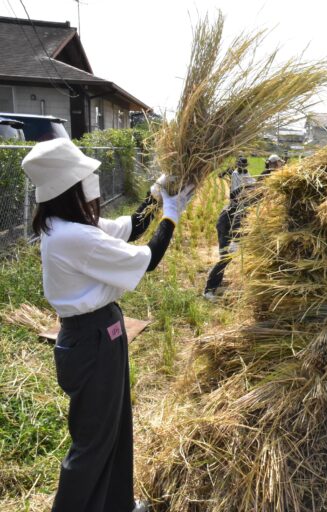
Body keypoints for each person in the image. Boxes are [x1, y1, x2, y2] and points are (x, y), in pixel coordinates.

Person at [21, 138, 194, 512]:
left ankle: (116, 504)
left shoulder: (65, 224)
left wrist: (157, 196)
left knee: (115, 427)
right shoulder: (73, 236)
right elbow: (147, 258)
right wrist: (172, 214)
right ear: (71, 186)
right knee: (92, 443)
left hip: (100, 335)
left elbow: (129, 227)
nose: (92, 182)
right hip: (90, 341)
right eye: (85, 176)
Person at [204, 156, 257, 299]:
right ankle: (209, 290)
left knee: (225, 257)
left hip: (229, 225)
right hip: (225, 226)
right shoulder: (239, 204)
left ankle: (215, 278)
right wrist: (236, 241)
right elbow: (236, 222)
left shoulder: (248, 189)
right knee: (225, 257)